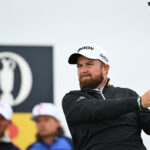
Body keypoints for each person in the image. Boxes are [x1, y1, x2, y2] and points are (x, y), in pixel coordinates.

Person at [62, 44, 150, 150]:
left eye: (89, 64)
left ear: (105, 68)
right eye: (79, 66)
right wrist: (138, 103)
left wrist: (138, 102)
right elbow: (97, 109)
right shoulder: (71, 99)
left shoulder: (128, 94)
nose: (83, 70)